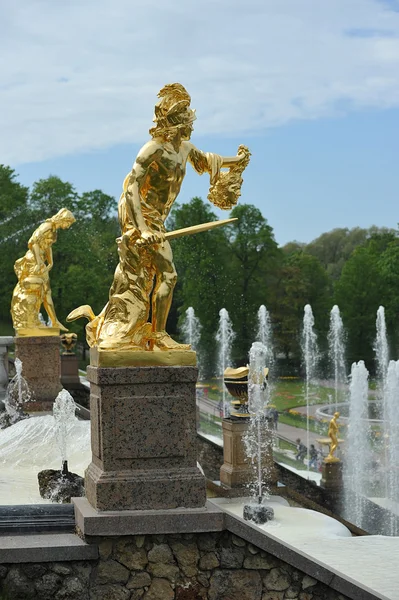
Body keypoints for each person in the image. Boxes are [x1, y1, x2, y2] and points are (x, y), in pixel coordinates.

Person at [67, 83, 250, 351]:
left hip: (157, 221)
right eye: (188, 119)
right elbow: (131, 186)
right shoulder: (152, 149)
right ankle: (159, 334)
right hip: (138, 217)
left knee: (137, 279)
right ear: (176, 123)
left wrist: (238, 161)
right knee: (167, 274)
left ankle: (107, 323)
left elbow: (208, 161)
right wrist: (141, 228)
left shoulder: (185, 149)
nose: (192, 124)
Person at [11, 208, 76, 332]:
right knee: (37, 291)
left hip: (40, 260)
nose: (68, 226)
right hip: (33, 261)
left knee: (47, 293)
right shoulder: (46, 226)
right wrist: (39, 261)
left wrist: (50, 261)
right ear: (63, 219)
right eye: (68, 223)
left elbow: (47, 246)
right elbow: (32, 242)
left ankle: (54, 321)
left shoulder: (53, 229)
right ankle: (31, 321)